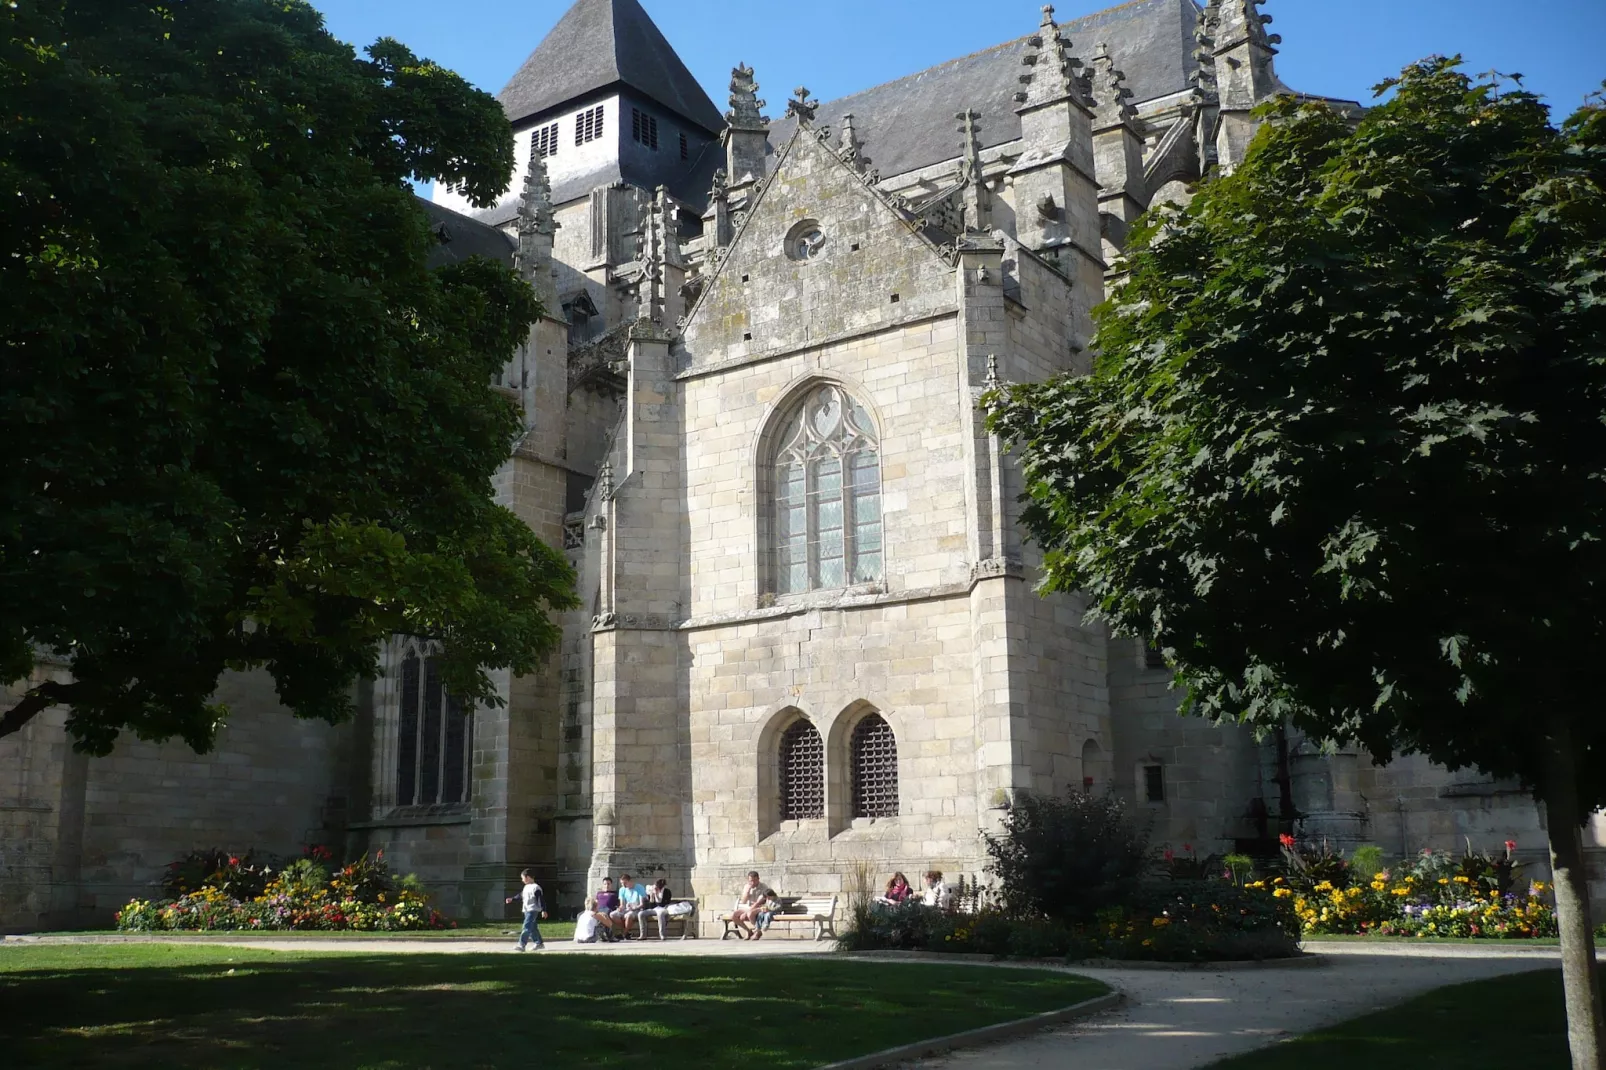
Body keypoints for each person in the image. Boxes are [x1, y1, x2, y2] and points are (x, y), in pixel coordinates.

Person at [504, 868, 548, 951]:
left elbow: (541, 900)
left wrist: (543, 910)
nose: (522, 880)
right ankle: (539, 943)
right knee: (533, 928)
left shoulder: (536, 888)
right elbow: (520, 895)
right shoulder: (526, 887)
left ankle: (522, 945)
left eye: (522, 878)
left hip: (533, 910)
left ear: (527, 877)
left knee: (526, 927)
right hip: (526, 910)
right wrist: (512, 899)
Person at [730, 870, 772, 939]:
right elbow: (743, 901)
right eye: (750, 881)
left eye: (754, 881)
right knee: (734, 916)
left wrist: (746, 913)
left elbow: (758, 902)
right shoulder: (747, 886)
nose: (752, 883)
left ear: (758, 879)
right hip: (748, 907)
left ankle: (758, 932)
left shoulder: (764, 887)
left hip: (759, 907)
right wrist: (747, 892)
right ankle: (748, 931)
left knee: (749, 914)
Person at [614, 873, 647, 939]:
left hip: (636, 909)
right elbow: (622, 905)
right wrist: (620, 908)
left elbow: (642, 904)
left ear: (630, 881)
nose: (623, 885)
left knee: (628, 916)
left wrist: (633, 908)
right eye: (622, 883)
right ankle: (627, 932)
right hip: (626, 909)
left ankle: (623, 934)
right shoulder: (622, 889)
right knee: (613, 914)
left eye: (625, 883)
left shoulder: (639, 888)